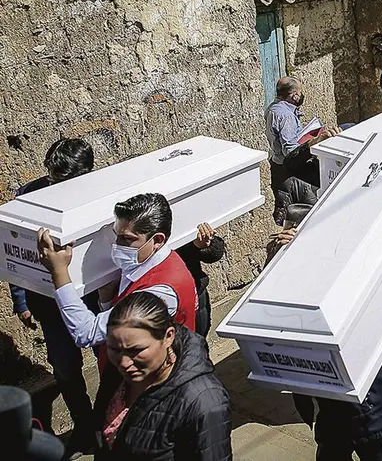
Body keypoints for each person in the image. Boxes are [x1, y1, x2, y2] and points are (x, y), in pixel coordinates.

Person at [267, 204, 382, 460]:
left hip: (378, 413)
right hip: (334, 414)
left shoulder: (362, 278)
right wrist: (278, 258)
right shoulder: (302, 287)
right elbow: (271, 305)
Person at [7, 138, 99, 454]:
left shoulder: (100, 193)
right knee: (65, 371)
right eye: (51, 179)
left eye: (61, 182)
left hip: (93, 299)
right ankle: (85, 428)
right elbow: (15, 251)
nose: (52, 186)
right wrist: (21, 301)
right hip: (49, 303)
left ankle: (108, 422)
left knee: (110, 362)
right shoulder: (29, 197)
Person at [41, 193, 197, 349]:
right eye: (117, 236)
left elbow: (87, 333)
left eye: (127, 239)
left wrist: (59, 272)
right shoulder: (144, 262)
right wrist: (107, 301)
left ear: (157, 240)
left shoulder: (159, 293)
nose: (117, 245)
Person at [93, 292, 231, 460]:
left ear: (168, 337)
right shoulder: (118, 372)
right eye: (114, 349)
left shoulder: (203, 401)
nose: (123, 362)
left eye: (136, 350)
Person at [264, 75, 338, 216]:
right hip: (289, 172)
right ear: (294, 95)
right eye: (299, 92)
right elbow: (290, 152)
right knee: (300, 214)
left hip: (277, 164)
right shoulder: (286, 116)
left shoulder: (273, 108)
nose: (301, 95)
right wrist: (313, 141)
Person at [175, 223, 226, 338]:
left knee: (198, 343)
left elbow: (215, 253)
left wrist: (201, 245)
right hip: (163, 304)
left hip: (195, 295)